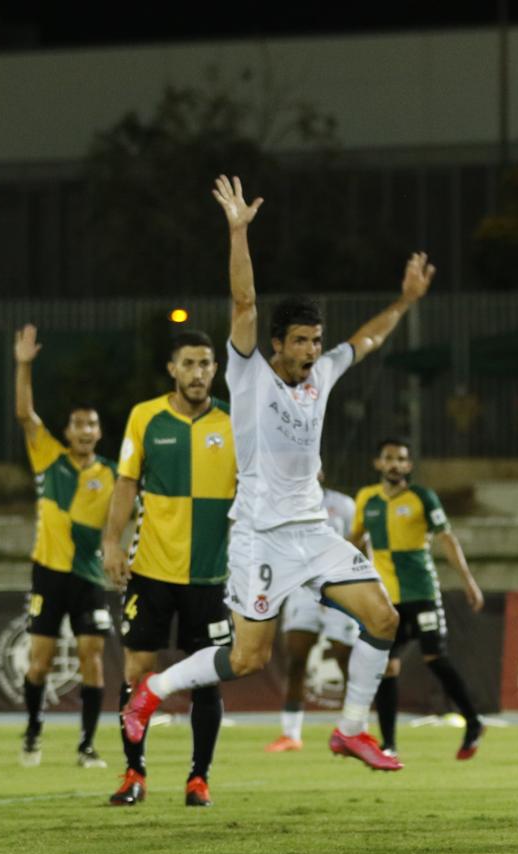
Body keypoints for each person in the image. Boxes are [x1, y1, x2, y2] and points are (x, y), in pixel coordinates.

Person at [119, 175, 433, 775]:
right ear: (277, 345)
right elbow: (243, 302)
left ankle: (350, 732)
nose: (313, 351)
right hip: (260, 536)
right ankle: (153, 691)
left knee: (385, 619)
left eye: (316, 341)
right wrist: (238, 232)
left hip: (312, 532)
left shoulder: (322, 375)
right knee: (247, 659)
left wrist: (406, 302)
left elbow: (365, 339)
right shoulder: (247, 376)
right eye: (301, 342)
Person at [100, 330, 236, 807]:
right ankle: (133, 774)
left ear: (215, 370)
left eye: (206, 364)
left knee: (207, 677)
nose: (198, 373)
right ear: (172, 369)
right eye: (189, 364)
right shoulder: (145, 416)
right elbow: (125, 483)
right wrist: (111, 542)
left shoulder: (234, 420)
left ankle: (199, 779)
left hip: (210, 574)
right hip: (152, 570)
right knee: (137, 670)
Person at [12, 324, 115, 769]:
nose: (85, 430)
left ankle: (87, 745)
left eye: (92, 423)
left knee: (93, 658)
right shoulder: (48, 457)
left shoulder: (113, 474)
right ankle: (34, 731)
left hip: (89, 576)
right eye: (78, 424)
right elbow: (24, 415)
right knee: (40, 662)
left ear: (99, 431)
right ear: (68, 430)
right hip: (48, 572)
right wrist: (23, 365)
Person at [352, 438, 487, 760]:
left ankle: (473, 721)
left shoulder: (422, 498)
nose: (395, 464)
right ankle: (389, 744)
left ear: (408, 466)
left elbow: (447, 538)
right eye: (389, 458)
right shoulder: (367, 499)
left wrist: (468, 581)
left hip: (422, 593)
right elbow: (354, 541)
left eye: (401, 459)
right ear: (378, 463)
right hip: (387, 600)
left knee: (434, 658)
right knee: (386, 667)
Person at [266, 474, 360, 752]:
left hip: (340, 590)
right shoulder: (284, 505)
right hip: (302, 590)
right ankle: (291, 734)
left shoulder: (343, 505)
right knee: (296, 658)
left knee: (347, 659)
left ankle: (354, 730)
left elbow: (357, 543)